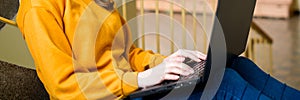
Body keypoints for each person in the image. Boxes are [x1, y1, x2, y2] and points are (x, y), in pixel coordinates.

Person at [16, 0, 300, 99]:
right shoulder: (38, 7)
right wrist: (139, 80)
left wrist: (169, 64)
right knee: (223, 83)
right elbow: (62, 86)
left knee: (234, 66)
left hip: (130, 88)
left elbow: (128, 55)